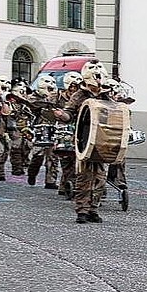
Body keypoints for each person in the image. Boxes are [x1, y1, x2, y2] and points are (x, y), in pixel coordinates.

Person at [53, 59, 112, 223]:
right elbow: (68, 113)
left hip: (102, 138)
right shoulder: (79, 94)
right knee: (84, 176)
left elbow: (114, 111)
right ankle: (82, 210)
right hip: (84, 138)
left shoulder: (107, 94)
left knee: (100, 176)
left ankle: (94, 208)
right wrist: (61, 116)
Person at [26, 76, 60, 189]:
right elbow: (33, 106)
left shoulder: (56, 98)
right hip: (38, 129)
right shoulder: (33, 98)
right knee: (38, 156)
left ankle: (50, 180)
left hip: (53, 128)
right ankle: (32, 173)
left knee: (53, 156)